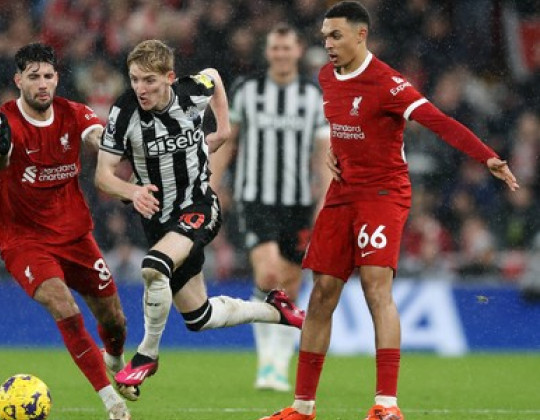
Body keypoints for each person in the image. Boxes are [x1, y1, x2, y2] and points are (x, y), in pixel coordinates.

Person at [261, 2, 519, 420]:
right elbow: (340, 126)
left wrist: (486, 156)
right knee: (323, 292)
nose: (327, 43)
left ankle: (385, 405)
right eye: (325, 36)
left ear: (361, 35)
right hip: (343, 194)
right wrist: (336, 155)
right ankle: (302, 408)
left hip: (383, 193)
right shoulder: (326, 76)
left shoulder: (388, 83)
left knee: (375, 286)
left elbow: (439, 121)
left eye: (336, 36)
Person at [95, 39, 306, 395]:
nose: (140, 88)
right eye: (134, 79)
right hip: (160, 222)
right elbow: (103, 174)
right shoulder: (124, 112)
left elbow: (214, 77)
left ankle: (147, 355)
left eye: (149, 80)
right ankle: (275, 310)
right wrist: (133, 191)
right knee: (199, 317)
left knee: (153, 266)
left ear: (170, 77)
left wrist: (223, 128)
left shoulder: (191, 92)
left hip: (199, 207)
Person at [0, 42, 131, 420]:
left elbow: (95, 134)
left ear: (57, 79)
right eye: (33, 77)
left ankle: (114, 359)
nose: (42, 84)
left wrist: (106, 144)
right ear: (19, 80)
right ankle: (110, 402)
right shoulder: (6, 120)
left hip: (75, 236)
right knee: (63, 305)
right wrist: (1, 150)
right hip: (25, 241)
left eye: (48, 76)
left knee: (114, 320)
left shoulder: (72, 112)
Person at [210, 23, 330, 392]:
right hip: (254, 197)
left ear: (297, 52)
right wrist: (210, 187)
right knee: (268, 276)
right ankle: (268, 365)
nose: (280, 54)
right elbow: (228, 143)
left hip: (297, 203)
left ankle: (279, 362)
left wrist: (324, 206)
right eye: (275, 48)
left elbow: (324, 156)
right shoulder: (248, 90)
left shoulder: (314, 95)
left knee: (292, 286)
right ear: (268, 53)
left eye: (286, 48)